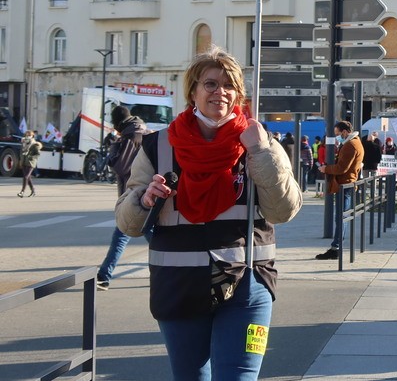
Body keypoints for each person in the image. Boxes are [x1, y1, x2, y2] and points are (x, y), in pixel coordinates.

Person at [114, 46, 302, 380]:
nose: (221, 92)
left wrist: (259, 151)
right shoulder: (158, 145)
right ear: (193, 91)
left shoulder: (260, 141)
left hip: (248, 285)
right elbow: (127, 224)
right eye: (211, 84)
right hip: (178, 285)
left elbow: (284, 210)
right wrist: (145, 200)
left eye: (230, 85)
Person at [96, 105, 149, 290]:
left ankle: (104, 276)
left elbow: (121, 166)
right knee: (153, 239)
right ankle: (103, 275)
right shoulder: (140, 131)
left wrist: (113, 147)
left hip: (133, 195)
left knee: (122, 236)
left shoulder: (130, 136)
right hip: (144, 194)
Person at [317, 121, 364, 260]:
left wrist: (326, 169)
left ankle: (336, 248)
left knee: (341, 217)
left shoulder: (351, 145)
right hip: (347, 183)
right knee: (341, 217)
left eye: (337, 133)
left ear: (344, 132)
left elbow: (341, 168)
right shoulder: (355, 142)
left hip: (345, 184)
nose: (337, 136)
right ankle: (336, 246)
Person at [18, 130, 41, 197]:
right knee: (28, 178)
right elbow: (21, 152)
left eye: (29, 135)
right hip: (24, 162)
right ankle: (33, 191)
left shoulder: (35, 144)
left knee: (25, 177)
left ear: (32, 136)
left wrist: (31, 157)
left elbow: (38, 154)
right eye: (26, 135)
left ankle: (22, 192)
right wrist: (20, 160)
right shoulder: (23, 143)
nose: (27, 136)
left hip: (31, 162)